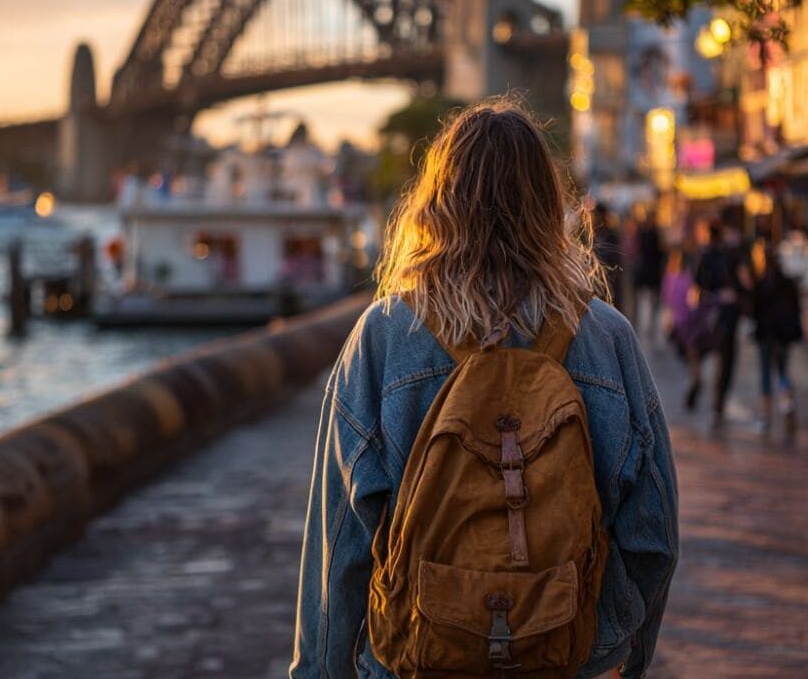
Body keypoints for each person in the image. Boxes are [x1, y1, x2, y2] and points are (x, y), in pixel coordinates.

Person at [290, 100, 678, 679]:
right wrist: (620, 651)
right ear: (548, 205)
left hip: (418, 656)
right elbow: (653, 535)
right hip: (568, 654)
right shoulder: (606, 337)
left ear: (438, 204)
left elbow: (340, 537)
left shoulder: (386, 335)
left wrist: (324, 671)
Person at [691, 216, 751, 427]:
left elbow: (695, 291)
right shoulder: (733, 254)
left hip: (708, 315)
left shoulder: (704, 256)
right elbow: (746, 283)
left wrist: (710, 297)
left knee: (700, 351)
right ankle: (719, 399)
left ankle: (699, 382)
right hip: (728, 314)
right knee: (726, 359)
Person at [750, 240, 802, 435]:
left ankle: (765, 417)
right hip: (784, 334)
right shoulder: (787, 282)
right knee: (783, 372)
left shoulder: (761, 283)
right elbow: (796, 308)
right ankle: (787, 405)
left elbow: (754, 311)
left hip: (766, 334)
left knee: (765, 375)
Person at [633, 210, 665, 342]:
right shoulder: (652, 234)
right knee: (649, 297)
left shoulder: (646, 234)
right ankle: (647, 321)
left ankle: (647, 321)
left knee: (650, 297)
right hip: (651, 269)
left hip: (649, 269)